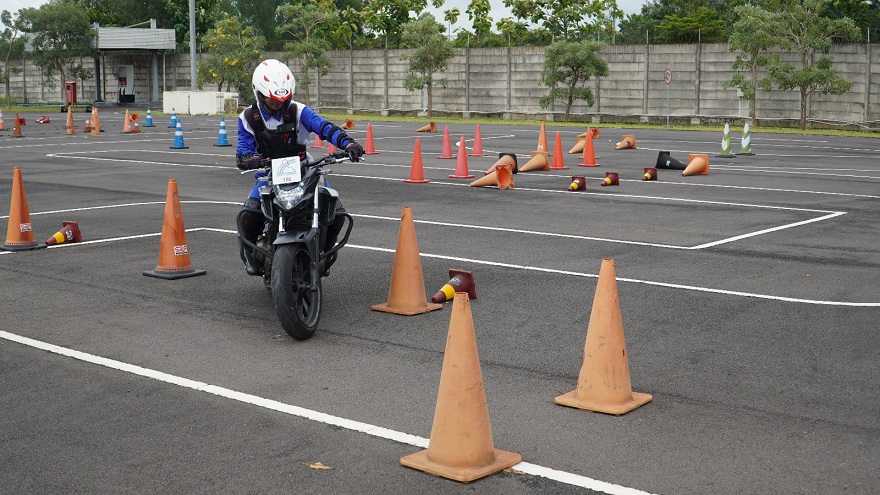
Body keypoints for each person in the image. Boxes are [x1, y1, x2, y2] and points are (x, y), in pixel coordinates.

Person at [236, 59, 364, 275]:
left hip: (305, 169)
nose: (278, 104)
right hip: (268, 175)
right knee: (248, 214)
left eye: (283, 99)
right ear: (258, 93)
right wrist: (247, 157)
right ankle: (252, 256)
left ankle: (325, 250)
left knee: (337, 212)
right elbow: (243, 146)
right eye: (272, 100)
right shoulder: (248, 117)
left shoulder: (299, 111)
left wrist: (347, 142)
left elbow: (323, 127)